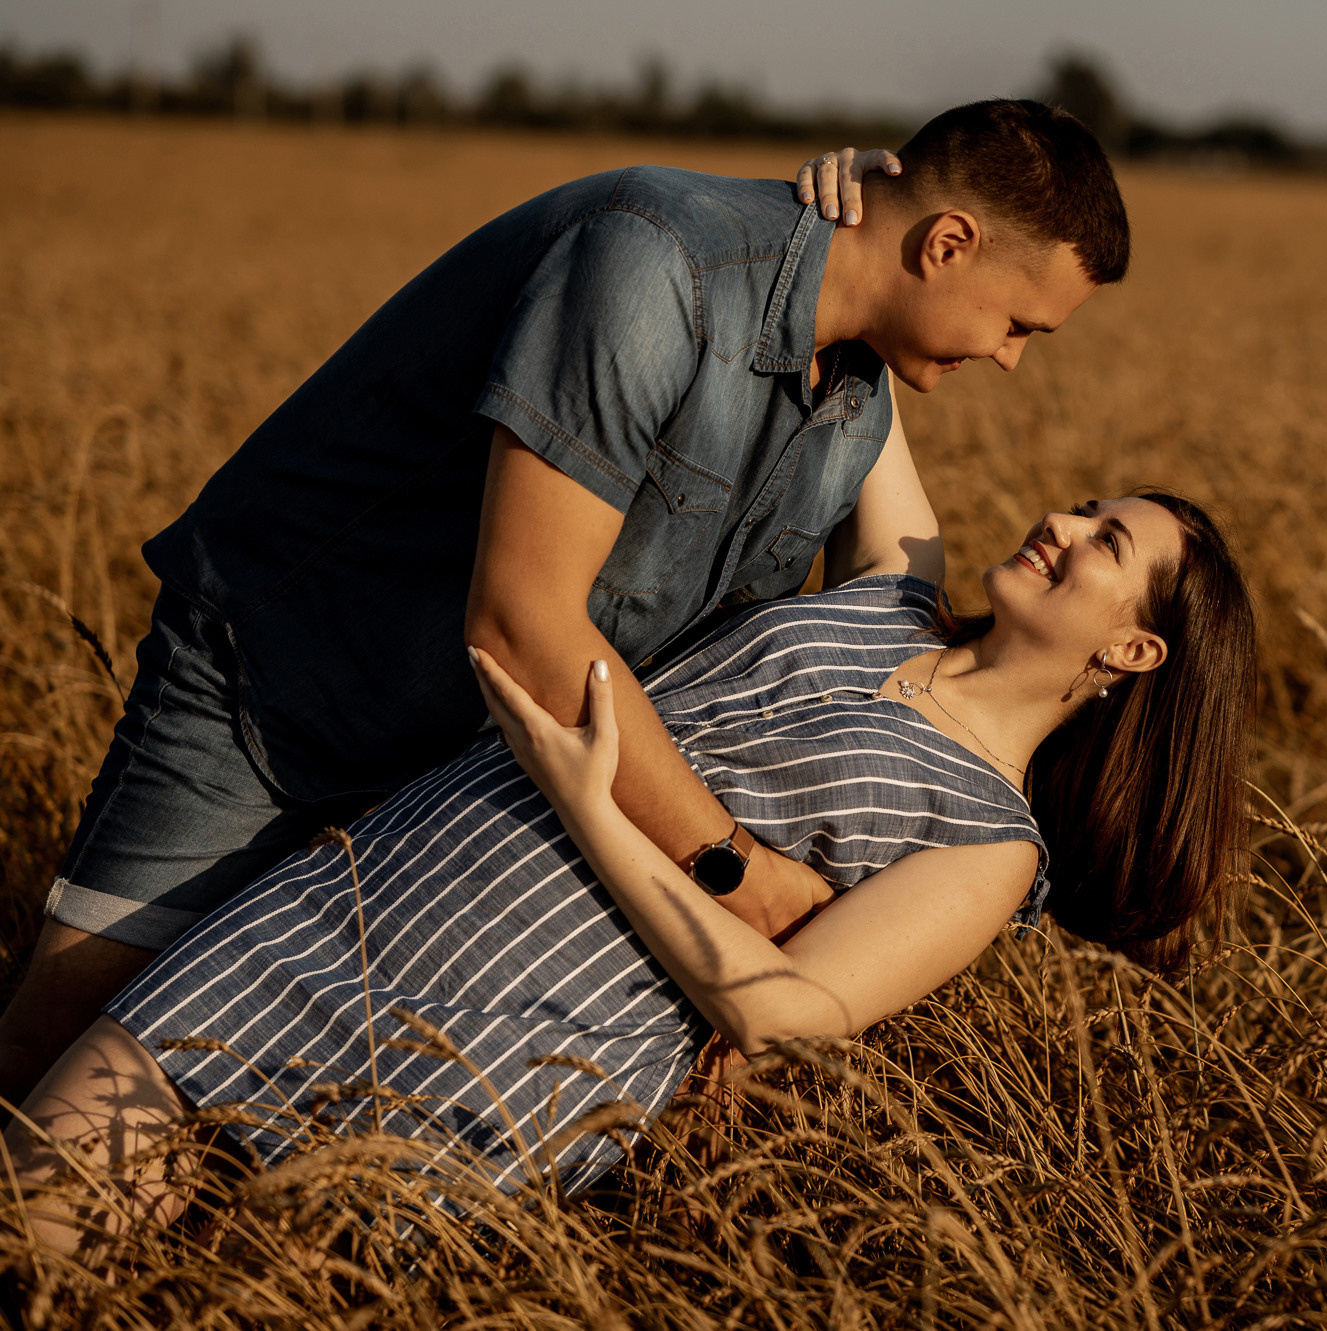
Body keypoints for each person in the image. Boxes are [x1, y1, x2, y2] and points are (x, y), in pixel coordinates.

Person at [0, 99, 1133, 1110]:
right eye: (1019, 325)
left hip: (463, 797)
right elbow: (519, 621)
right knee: (57, 1063)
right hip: (283, 700)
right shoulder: (655, 261)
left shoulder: (855, 409)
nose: (1011, 359)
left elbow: (844, 673)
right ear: (947, 244)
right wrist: (734, 871)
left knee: (240, 1129)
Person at [4, 449, 1257, 1251]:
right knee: (27, 1239)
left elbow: (786, 1007)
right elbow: (880, 337)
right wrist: (849, 180)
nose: (1061, 521)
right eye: (1086, 506)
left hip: (500, 1056)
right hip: (349, 909)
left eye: (1105, 542)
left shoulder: (988, 844)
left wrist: (590, 799)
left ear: (1132, 650)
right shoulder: (893, 587)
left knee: (238, 1290)